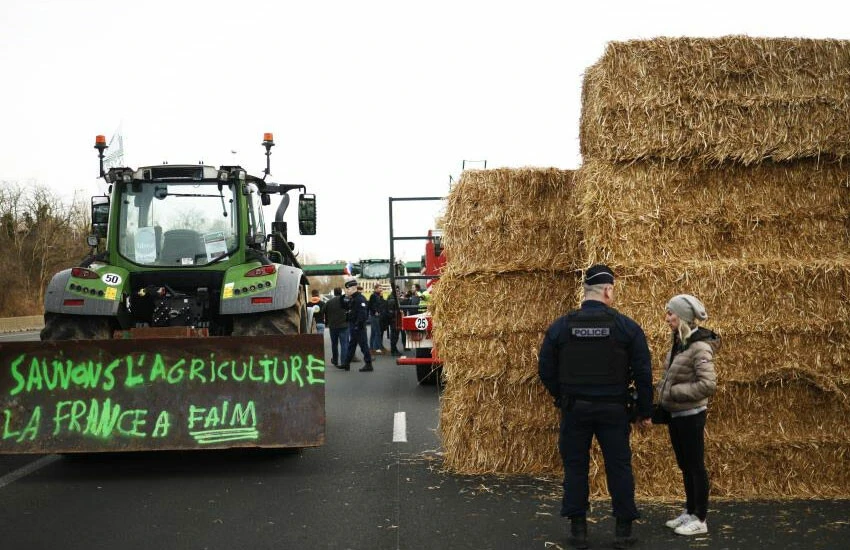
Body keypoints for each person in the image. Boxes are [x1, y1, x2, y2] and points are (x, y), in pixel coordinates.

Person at [538, 264, 652, 550]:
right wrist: (644, 412)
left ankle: (578, 531)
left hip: (575, 408)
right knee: (619, 467)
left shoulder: (562, 326)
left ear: (585, 292)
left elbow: (545, 368)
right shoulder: (627, 328)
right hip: (614, 409)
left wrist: (561, 396)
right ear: (607, 290)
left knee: (575, 467)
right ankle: (623, 531)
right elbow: (643, 373)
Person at [656, 294, 718, 536]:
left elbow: (708, 384)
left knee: (695, 466)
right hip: (677, 414)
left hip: (691, 414)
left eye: (671, 313)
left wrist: (674, 392)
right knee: (685, 465)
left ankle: (700, 518)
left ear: (682, 316)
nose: (667, 318)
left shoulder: (699, 346)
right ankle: (690, 511)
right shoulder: (679, 342)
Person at [340, 277, 373, 372]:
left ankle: (368, 363)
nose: (347, 290)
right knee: (352, 345)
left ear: (354, 288)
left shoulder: (360, 299)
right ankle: (346, 364)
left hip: (358, 326)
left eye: (348, 289)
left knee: (363, 345)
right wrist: (343, 297)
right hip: (353, 325)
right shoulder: (352, 298)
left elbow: (363, 313)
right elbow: (344, 307)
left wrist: (358, 325)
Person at [323, 287, 349, 367]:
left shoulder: (329, 302)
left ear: (334, 293)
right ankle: (344, 362)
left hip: (333, 326)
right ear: (341, 292)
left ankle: (335, 360)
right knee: (344, 344)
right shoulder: (345, 301)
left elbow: (323, 310)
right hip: (344, 325)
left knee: (334, 344)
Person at [368, 284, 387, 354]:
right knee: (377, 332)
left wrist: (381, 297)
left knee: (373, 332)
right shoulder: (373, 296)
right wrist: (375, 311)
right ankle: (378, 348)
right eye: (379, 288)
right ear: (375, 289)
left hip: (376, 315)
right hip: (374, 316)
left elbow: (381, 304)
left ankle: (372, 348)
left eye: (381, 288)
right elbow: (371, 305)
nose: (381, 289)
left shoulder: (378, 296)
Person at [386, 286, 402, 355]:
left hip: (394, 320)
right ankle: (393, 350)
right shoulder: (393, 300)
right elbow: (391, 311)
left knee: (394, 335)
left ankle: (394, 349)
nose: (399, 292)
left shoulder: (392, 298)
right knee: (394, 336)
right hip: (394, 320)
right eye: (397, 291)